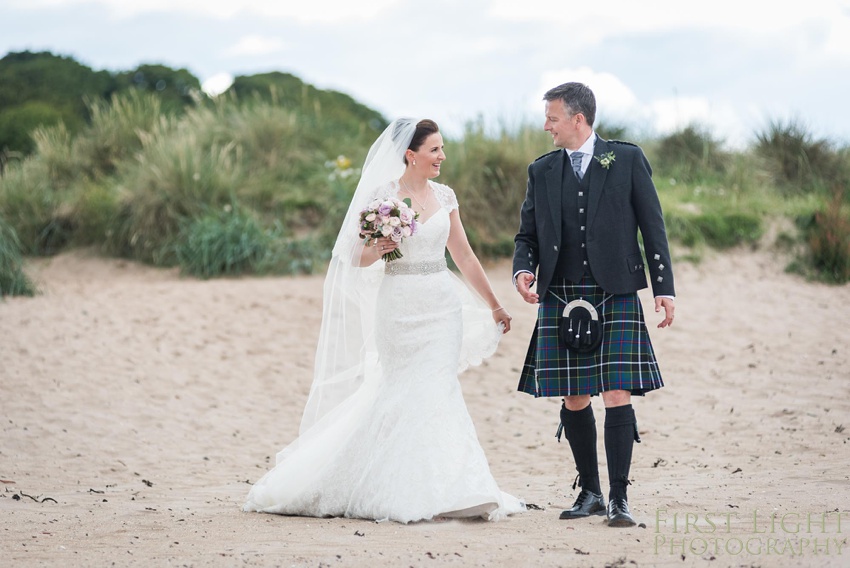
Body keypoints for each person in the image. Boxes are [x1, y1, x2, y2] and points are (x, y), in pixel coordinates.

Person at [243, 118, 525, 523]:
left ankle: (461, 486)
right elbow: (353, 256)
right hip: (398, 308)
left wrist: (495, 304)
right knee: (400, 392)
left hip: (442, 309)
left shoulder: (445, 197)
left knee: (438, 388)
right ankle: (396, 486)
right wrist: (380, 248)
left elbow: (464, 256)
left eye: (443, 149)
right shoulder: (382, 198)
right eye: (435, 150)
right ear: (411, 155)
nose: (442, 156)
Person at [512, 82, 675, 528]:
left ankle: (620, 498)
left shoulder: (626, 159)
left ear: (578, 119)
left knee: (617, 390)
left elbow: (652, 224)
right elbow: (526, 235)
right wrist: (523, 271)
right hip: (562, 291)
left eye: (552, 118)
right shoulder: (542, 170)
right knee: (575, 394)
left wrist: (664, 286)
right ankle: (590, 492)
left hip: (616, 289)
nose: (547, 126)